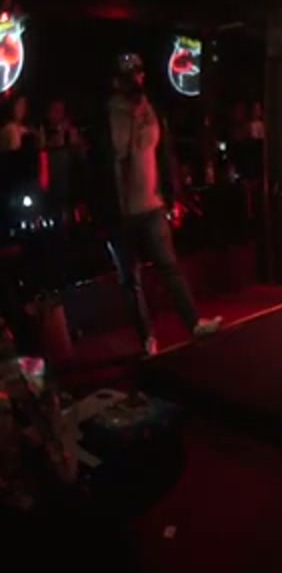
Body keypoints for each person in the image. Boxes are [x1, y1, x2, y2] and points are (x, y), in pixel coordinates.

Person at [94, 54, 222, 356]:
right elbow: (102, 163)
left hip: (151, 204)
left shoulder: (152, 110)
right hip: (121, 211)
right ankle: (146, 339)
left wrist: (172, 192)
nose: (137, 79)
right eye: (130, 75)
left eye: (139, 73)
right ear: (118, 81)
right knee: (131, 279)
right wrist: (101, 211)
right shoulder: (108, 115)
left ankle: (194, 323)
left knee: (170, 267)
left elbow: (164, 154)